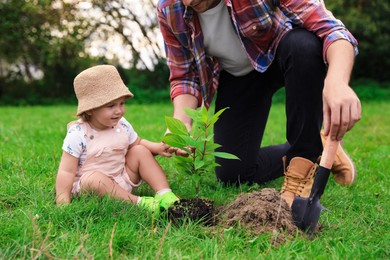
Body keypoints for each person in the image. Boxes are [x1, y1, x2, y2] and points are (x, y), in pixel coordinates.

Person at [157, 0, 361, 206]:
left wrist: (337, 81)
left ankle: (301, 168)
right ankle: (319, 146)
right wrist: (181, 123)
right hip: (239, 76)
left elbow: (332, 30)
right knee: (233, 173)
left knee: (304, 46)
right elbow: (185, 75)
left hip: (284, 53)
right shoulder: (170, 9)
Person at [55, 65, 179, 213]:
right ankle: (139, 203)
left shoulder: (122, 125)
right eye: (111, 106)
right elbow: (66, 171)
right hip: (92, 187)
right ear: (89, 109)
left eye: (122, 103)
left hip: (121, 178)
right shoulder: (78, 134)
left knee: (139, 150)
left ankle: (165, 194)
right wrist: (62, 202)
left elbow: (137, 142)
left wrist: (157, 148)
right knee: (93, 179)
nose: (119, 111)